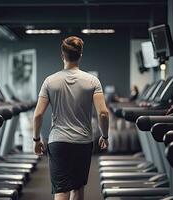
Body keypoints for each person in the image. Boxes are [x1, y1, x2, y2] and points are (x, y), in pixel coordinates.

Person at [33, 36, 109, 200]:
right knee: (77, 188)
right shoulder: (92, 81)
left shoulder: (50, 81)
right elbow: (103, 113)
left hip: (58, 141)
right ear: (80, 55)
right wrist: (105, 135)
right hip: (82, 142)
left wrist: (36, 139)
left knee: (61, 190)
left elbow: (38, 114)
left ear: (62, 55)